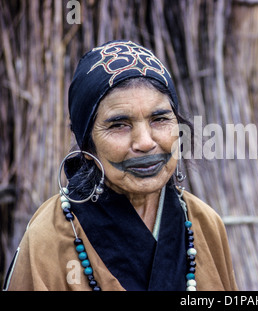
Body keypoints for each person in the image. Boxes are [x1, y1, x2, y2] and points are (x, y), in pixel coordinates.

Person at [3, 40, 237, 291]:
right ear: (87, 143)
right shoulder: (48, 238)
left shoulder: (205, 224)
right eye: (119, 125)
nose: (145, 143)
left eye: (159, 119)